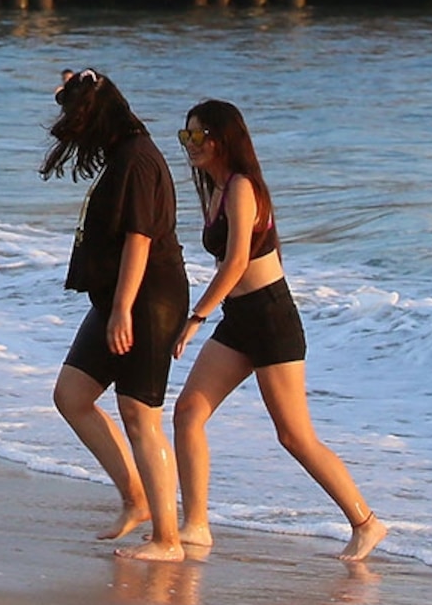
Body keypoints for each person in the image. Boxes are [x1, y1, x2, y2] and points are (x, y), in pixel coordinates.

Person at [171, 100, 388, 562]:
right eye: (185, 136)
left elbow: (236, 264)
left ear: (223, 138)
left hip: (270, 318)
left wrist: (196, 316)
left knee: (294, 436)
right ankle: (196, 526)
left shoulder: (242, 187)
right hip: (241, 318)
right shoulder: (214, 188)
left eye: (198, 136)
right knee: (188, 412)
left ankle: (366, 523)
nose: (190, 145)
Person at [43, 69, 190, 563]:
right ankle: (136, 499)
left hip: (149, 298)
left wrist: (124, 308)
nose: (72, 129)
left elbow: (139, 239)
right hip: (119, 299)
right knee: (72, 395)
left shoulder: (136, 158)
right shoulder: (123, 153)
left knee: (140, 414)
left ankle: (168, 540)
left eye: (76, 118)